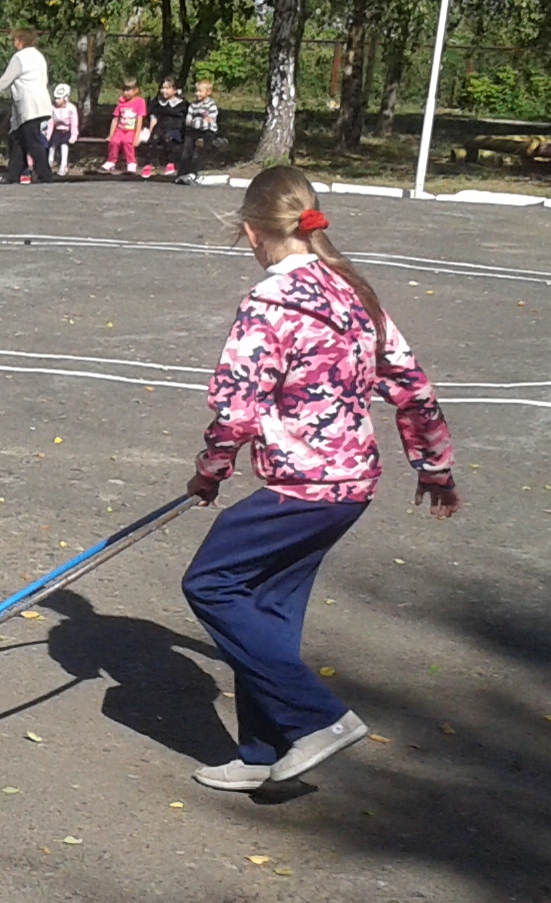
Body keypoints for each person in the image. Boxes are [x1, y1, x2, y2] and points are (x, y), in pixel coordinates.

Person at [179, 166, 458, 793]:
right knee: (268, 608)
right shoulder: (353, 290)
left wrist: (210, 472)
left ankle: (317, 719)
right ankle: (267, 752)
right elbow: (412, 385)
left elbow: (236, 409)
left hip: (303, 489)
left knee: (211, 584)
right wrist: (435, 468)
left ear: (253, 232)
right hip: (352, 488)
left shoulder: (269, 303)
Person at [0, 29, 54, 184]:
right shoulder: (38, 56)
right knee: (17, 139)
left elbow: (5, 80)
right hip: (40, 103)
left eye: (15, 39)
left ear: (21, 40)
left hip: (29, 106)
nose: (13, 43)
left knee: (32, 141)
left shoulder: (20, 58)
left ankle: (45, 175)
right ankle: (13, 174)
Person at [145, 78, 188, 178]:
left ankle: (171, 162)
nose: (164, 91)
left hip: (175, 128)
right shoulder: (158, 103)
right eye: (162, 88)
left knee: (168, 138)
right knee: (154, 138)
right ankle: (150, 163)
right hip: (161, 127)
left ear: (175, 90)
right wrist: (151, 131)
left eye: (167, 88)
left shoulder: (182, 104)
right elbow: (154, 117)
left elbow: (186, 119)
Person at [181, 80, 222, 182]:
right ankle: (183, 171)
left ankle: (193, 172)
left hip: (207, 132)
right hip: (194, 130)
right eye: (196, 91)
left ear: (208, 92)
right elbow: (188, 120)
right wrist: (197, 122)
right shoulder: (193, 105)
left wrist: (196, 122)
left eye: (200, 91)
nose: (197, 93)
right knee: (187, 149)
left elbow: (209, 122)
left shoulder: (211, 106)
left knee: (198, 151)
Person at [102, 81, 146, 173]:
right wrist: (111, 135)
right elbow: (115, 119)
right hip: (120, 130)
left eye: (129, 90)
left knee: (127, 142)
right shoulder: (121, 102)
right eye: (124, 90)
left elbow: (139, 120)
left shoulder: (140, 102)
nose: (126, 93)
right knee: (114, 142)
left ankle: (131, 162)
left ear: (136, 90)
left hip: (131, 130)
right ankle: (111, 161)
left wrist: (136, 137)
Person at [47, 83, 79, 178]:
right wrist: (48, 134)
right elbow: (51, 122)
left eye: (59, 98)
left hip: (66, 131)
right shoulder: (53, 108)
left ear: (65, 98)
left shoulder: (71, 108)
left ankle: (63, 165)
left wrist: (74, 135)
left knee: (64, 145)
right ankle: (49, 163)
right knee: (52, 145)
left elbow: (74, 123)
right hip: (57, 130)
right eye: (55, 98)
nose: (56, 100)